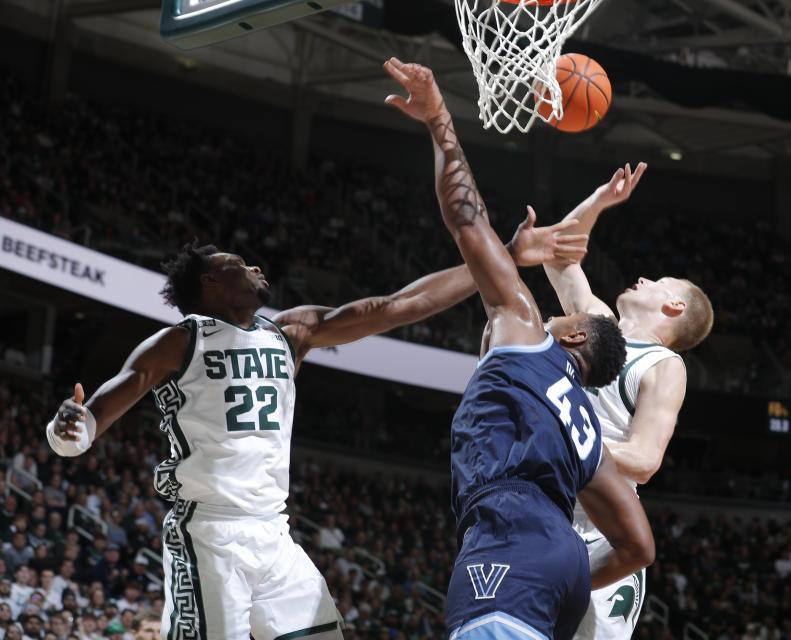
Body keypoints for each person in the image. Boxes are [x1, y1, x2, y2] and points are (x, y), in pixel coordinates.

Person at [46, 193, 586, 636]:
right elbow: (106, 403)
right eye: (237, 264)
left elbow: (399, 305)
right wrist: (72, 427)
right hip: (209, 532)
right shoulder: (179, 341)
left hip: (273, 534)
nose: (254, 267)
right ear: (210, 283)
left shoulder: (289, 333)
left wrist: (504, 257)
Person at [383, 57, 656, 640]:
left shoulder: (529, 332)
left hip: (507, 539)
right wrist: (574, 576)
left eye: (566, 316)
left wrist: (439, 122)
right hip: (559, 560)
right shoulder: (579, 422)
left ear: (577, 336)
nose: (552, 315)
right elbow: (638, 545)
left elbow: (465, 219)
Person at [542, 165, 713, 640]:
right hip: (544, 507)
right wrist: (598, 201)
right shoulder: (596, 322)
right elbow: (556, 257)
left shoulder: (663, 365)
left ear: (674, 308)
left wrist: (560, 432)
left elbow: (643, 460)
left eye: (658, 281)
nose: (641, 277)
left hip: (602, 532)